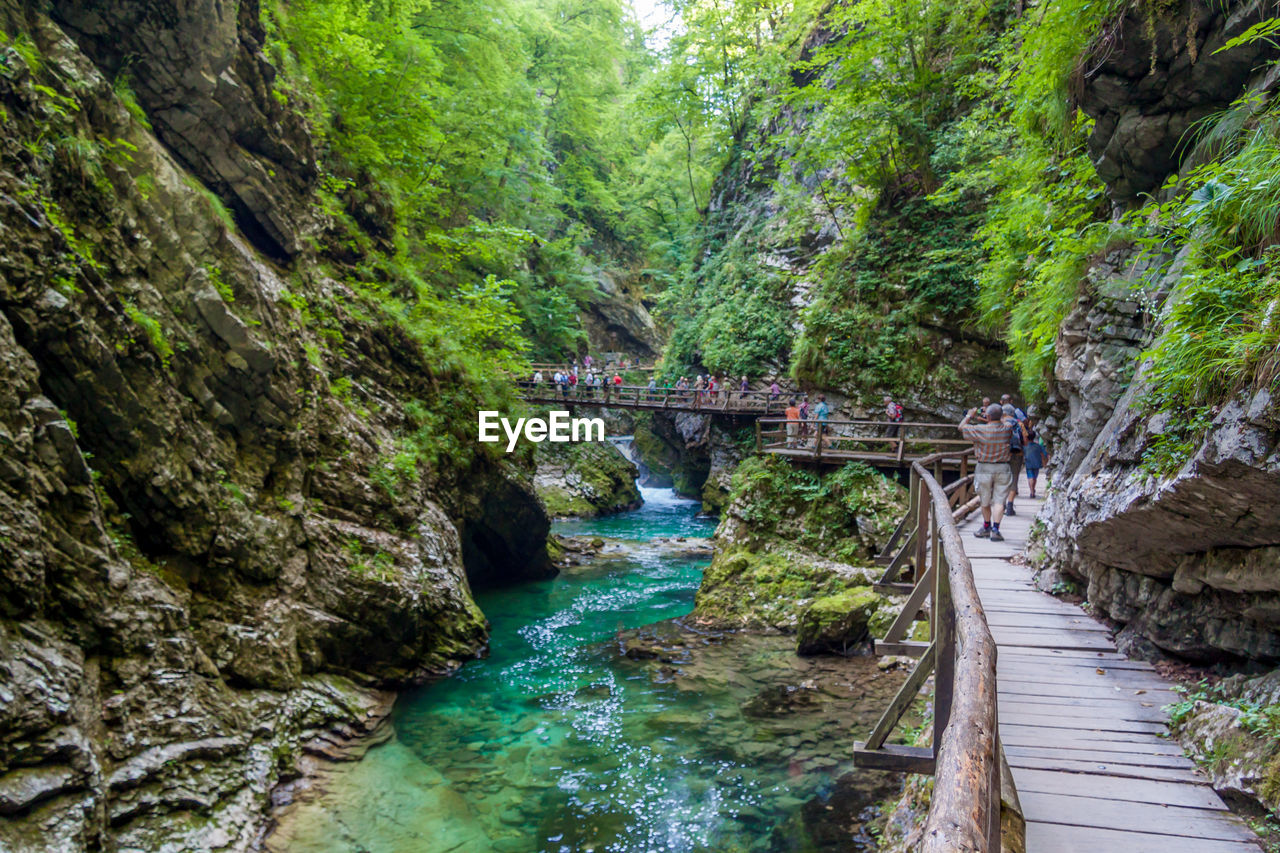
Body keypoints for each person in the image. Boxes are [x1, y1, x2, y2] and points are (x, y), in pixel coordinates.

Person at [959, 403, 1016, 542]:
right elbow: (1008, 420)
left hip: (984, 467)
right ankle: (996, 530)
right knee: (999, 501)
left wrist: (969, 415)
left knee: (984, 499)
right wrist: (996, 415)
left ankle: (986, 527)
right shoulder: (1007, 428)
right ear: (1001, 416)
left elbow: (961, 428)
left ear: (988, 416)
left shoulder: (980, 429)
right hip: (1003, 467)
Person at [1003, 403, 1023, 515]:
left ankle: (1003, 504)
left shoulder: (1000, 423)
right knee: (1014, 478)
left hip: (1003, 455)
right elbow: (1024, 440)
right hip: (1017, 454)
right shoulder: (1019, 424)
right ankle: (1010, 506)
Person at [1021, 416, 1048, 499]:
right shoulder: (1038, 446)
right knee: (1035, 477)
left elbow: (1022, 454)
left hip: (1028, 463)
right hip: (1036, 463)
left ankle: (1031, 491)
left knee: (1030, 476)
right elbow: (1043, 454)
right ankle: (1033, 489)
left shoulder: (1025, 447)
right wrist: (1044, 463)